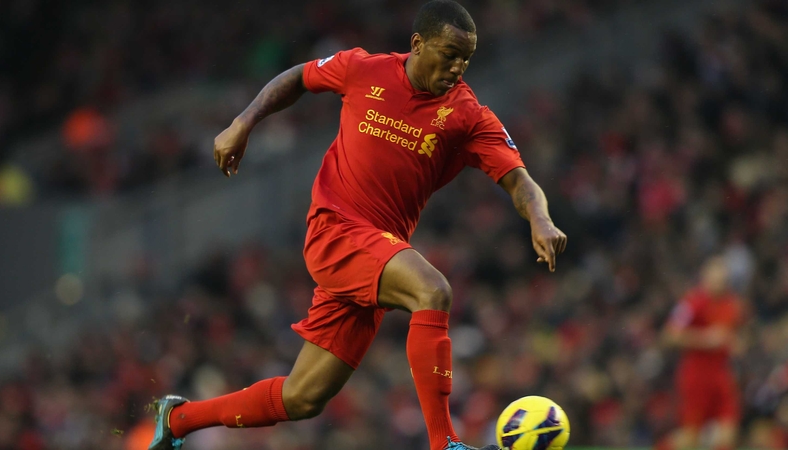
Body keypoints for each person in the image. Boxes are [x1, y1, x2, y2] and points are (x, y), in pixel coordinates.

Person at [149, 1, 567, 449]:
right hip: (335, 229)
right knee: (433, 290)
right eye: (449, 53)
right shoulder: (362, 69)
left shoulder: (467, 116)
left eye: (466, 57)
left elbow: (519, 180)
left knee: (303, 397)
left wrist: (540, 219)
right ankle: (444, 443)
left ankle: (177, 419)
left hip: (376, 252)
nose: (457, 66)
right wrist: (243, 122)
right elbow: (297, 78)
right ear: (417, 44)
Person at [662, 256, 745, 450]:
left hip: (721, 375)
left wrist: (736, 343)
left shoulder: (731, 304)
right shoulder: (692, 303)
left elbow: (733, 335)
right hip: (696, 376)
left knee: (728, 435)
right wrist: (705, 339)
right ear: (704, 278)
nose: (718, 283)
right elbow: (669, 335)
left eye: (722, 279)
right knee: (691, 439)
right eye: (714, 279)